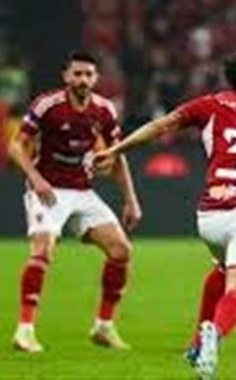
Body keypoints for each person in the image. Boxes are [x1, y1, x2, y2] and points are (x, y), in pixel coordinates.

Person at [94, 50, 236, 379]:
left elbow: (161, 126)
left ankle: (198, 342)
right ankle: (215, 335)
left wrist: (115, 149)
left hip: (211, 216)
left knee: (223, 268)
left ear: (231, 79)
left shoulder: (212, 104)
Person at [9, 51, 142, 353]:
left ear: (96, 78)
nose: (83, 79)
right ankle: (24, 330)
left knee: (121, 251)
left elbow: (117, 156)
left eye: (88, 74)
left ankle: (104, 327)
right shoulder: (48, 105)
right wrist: (36, 179)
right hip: (48, 191)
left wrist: (131, 201)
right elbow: (16, 145)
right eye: (77, 74)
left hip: (82, 191)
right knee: (42, 251)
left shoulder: (104, 110)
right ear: (66, 77)